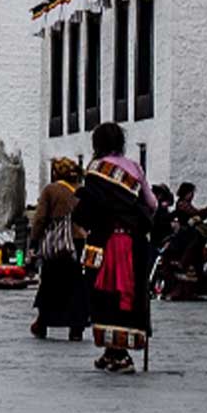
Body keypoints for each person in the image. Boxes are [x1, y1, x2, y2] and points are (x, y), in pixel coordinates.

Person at [73, 121, 155, 373]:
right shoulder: (134, 168)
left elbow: (86, 209)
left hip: (105, 243)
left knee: (105, 296)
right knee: (126, 297)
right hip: (134, 243)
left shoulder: (96, 169)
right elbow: (151, 204)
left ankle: (120, 355)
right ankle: (112, 351)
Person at [28, 157, 90, 340]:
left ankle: (44, 321)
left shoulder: (51, 190)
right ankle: (76, 325)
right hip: (79, 241)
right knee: (77, 284)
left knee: (50, 283)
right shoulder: (83, 191)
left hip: (57, 243)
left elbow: (40, 218)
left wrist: (34, 240)